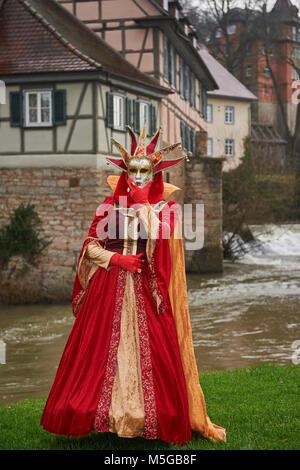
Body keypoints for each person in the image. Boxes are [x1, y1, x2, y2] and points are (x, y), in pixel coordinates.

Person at [40, 125, 226, 444]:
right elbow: (90, 246)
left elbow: (161, 241)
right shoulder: (109, 206)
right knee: (98, 353)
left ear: (154, 174)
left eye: (144, 171)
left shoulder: (166, 208)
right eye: (132, 170)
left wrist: (142, 205)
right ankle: (105, 416)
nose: (137, 177)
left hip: (147, 290)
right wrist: (116, 260)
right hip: (108, 288)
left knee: (152, 355)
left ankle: (148, 418)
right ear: (125, 172)